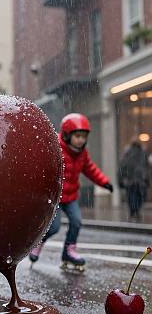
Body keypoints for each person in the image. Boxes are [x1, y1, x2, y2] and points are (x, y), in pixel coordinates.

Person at [29, 113, 113, 270]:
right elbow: (42, 164)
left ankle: (69, 251)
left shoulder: (82, 153)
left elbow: (90, 169)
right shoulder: (56, 147)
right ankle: (38, 243)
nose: (81, 140)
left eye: (83, 136)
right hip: (56, 197)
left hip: (72, 196)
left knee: (76, 222)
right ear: (67, 135)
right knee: (53, 227)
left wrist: (104, 182)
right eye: (77, 136)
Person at [118, 140, 149, 220]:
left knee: (131, 196)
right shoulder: (143, 154)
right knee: (139, 196)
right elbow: (146, 168)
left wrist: (121, 179)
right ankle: (137, 211)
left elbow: (122, 167)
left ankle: (132, 212)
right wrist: (146, 180)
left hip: (130, 181)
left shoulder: (127, 154)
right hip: (140, 181)